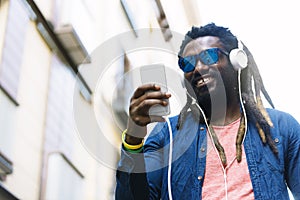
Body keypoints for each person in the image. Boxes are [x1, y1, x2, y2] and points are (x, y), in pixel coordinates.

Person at [115, 23, 300, 200]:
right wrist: (134, 134)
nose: (198, 68)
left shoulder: (280, 127)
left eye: (209, 56)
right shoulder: (168, 135)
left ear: (236, 61)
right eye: (187, 64)